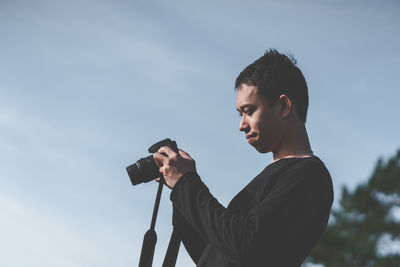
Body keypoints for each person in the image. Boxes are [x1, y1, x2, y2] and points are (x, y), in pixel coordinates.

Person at [153, 49, 334, 267]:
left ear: (284, 106)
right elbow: (212, 253)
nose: (241, 125)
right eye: (240, 114)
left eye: (249, 111)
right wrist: (180, 188)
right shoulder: (282, 174)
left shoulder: (308, 175)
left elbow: (246, 245)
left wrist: (187, 183)